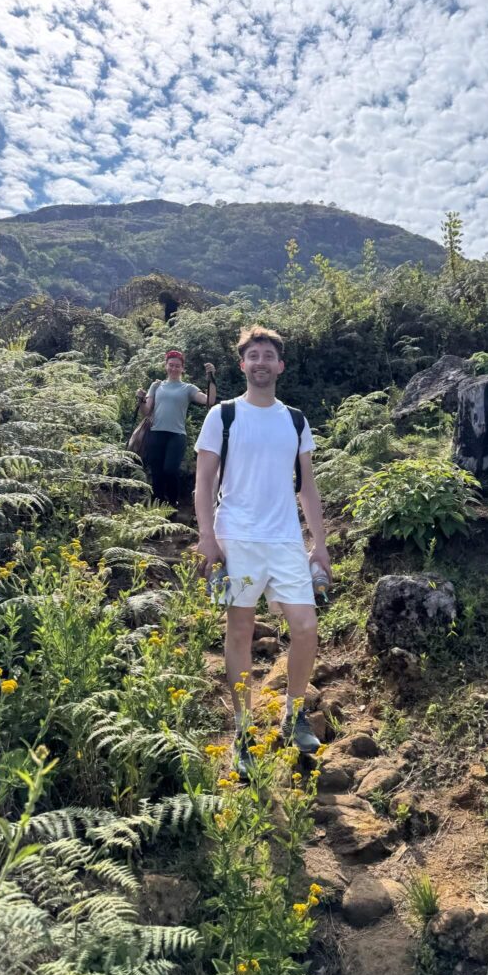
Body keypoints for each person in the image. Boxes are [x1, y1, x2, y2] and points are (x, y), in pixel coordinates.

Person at [194, 325, 331, 777]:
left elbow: (307, 487)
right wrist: (208, 537)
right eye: (253, 355)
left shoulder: (295, 419)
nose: (260, 362)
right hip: (238, 535)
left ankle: (293, 716)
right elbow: (204, 482)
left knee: (306, 626)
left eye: (268, 355)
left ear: (280, 366)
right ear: (242, 365)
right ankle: (243, 730)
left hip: (286, 539)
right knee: (240, 632)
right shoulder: (223, 415)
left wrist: (320, 544)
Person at [136, 350, 216, 506]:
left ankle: (173, 503)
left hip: (177, 435)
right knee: (157, 473)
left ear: (182, 369)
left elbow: (210, 401)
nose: (174, 369)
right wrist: (140, 400)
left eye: (177, 366)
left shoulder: (188, 388)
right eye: (171, 365)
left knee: (170, 470)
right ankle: (158, 504)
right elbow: (146, 411)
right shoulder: (156, 385)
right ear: (166, 366)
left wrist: (211, 379)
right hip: (156, 433)